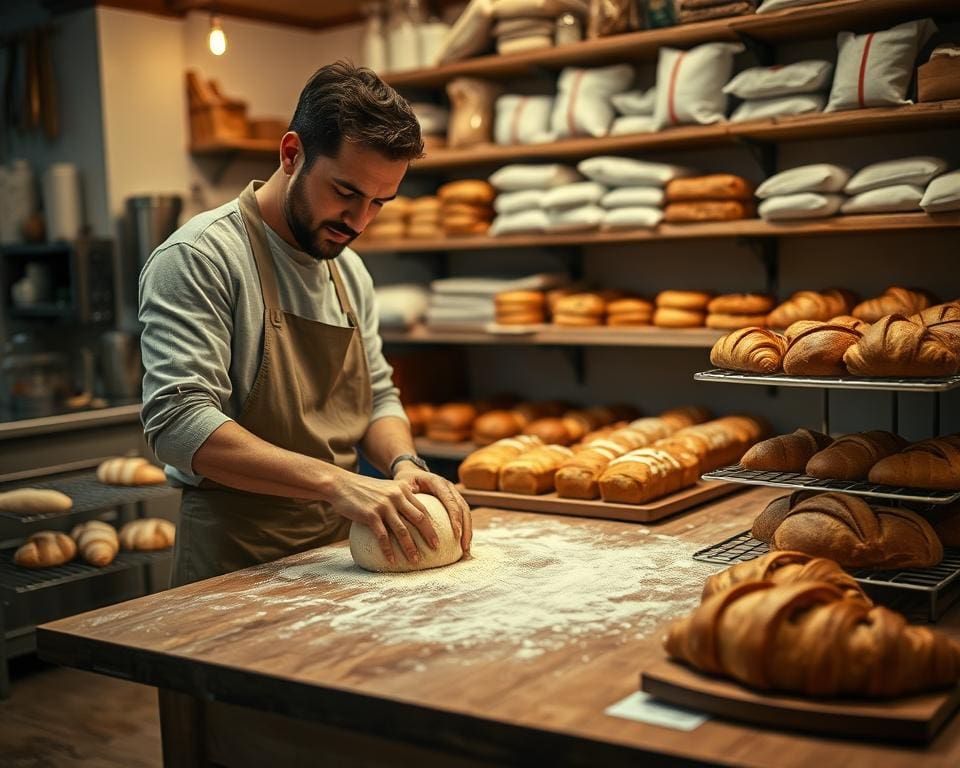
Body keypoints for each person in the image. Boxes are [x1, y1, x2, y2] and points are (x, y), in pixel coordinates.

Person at [139, 60, 471, 586]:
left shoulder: (349, 270)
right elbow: (179, 424)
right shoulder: (201, 257)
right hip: (234, 559)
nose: (359, 222)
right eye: (345, 192)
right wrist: (337, 482)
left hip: (341, 554)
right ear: (292, 154)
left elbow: (377, 397)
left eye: (378, 203)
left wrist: (404, 464)